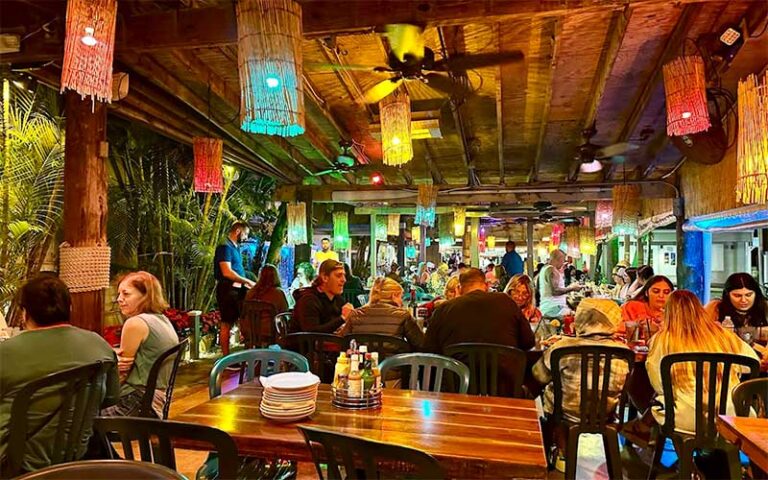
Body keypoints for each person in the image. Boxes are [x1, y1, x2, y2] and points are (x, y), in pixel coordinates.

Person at [0, 275, 120, 472]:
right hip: (77, 457)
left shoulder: (6, 353)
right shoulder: (98, 344)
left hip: (14, 465)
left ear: (24, 313)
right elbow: (109, 399)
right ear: (70, 308)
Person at [533, 299, 631, 470]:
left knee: (550, 396)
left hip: (566, 411)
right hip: (605, 412)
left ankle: (562, 451)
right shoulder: (623, 351)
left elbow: (539, 375)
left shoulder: (561, 348)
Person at [647, 290, 759, 435]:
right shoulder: (724, 334)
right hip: (733, 415)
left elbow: (658, 384)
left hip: (687, 418)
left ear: (668, 312)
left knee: (657, 403)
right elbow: (751, 363)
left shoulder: (663, 339)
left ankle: (646, 434)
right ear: (700, 309)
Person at [102, 271, 179, 418]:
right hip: (156, 402)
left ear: (145, 296)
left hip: (137, 402)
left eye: (126, 294)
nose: (119, 299)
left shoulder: (135, 323)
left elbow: (121, 374)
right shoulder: (162, 320)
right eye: (119, 294)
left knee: (78, 423)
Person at [338, 277, 425, 348]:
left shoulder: (355, 314)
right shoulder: (403, 316)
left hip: (364, 367)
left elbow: (340, 341)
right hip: (394, 367)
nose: (402, 301)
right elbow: (421, 344)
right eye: (400, 297)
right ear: (394, 296)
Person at [214, 221, 255, 357]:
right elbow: (227, 272)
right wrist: (247, 281)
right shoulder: (225, 247)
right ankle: (225, 358)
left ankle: (242, 355)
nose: (245, 237)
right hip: (228, 290)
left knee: (241, 320)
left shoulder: (234, 247)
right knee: (226, 322)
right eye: (245, 234)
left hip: (238, 289)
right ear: (238, 231)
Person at [293, 259, 354, 333]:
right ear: (325, 278)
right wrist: (342, 318)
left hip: (329, 342)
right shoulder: (308, 300)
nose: (344, 280)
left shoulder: (338, 299)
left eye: (344, 276)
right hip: (303, 343)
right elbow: (311, 333)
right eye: (339, 276)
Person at [537, 249, 581, 318]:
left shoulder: (545, 268)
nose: (563, 262)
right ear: (559, 259)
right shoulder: (552, 270)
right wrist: (572, 288)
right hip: (554, 309)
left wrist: (560, 272)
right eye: (563, 260)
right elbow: (555, 291)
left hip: (549, 308)